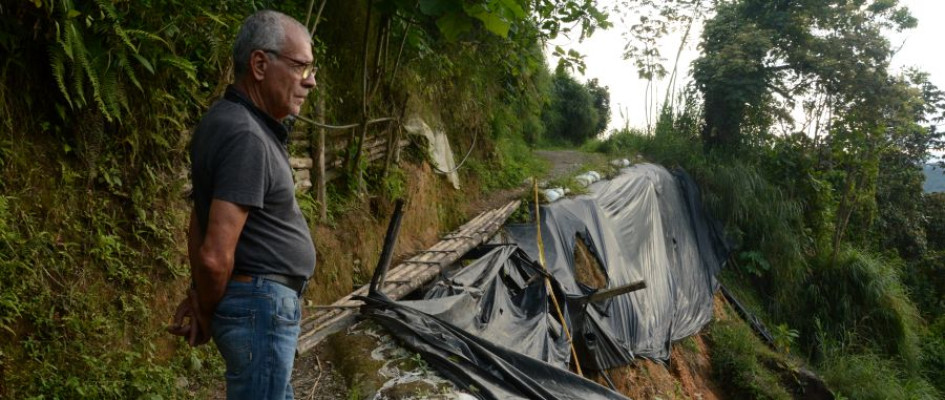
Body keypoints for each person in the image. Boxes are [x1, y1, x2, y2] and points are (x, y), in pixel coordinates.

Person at [168, 10, 317, 400]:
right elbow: (215, 255)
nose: (311, 81)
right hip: (260, 309)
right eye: (301, 67)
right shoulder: (246, 136)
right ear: (259, 64)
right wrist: (206, 307)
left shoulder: (225, 121)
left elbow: (199, 220)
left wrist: (203, 297)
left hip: (259, 307)